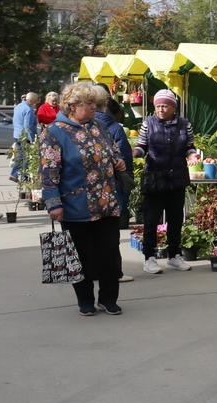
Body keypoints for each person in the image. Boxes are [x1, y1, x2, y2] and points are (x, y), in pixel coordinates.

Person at [40, 82, 127, 316]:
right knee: (82, 257)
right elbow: (49, 171)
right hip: (75, 206)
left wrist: (118, 161)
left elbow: (113, 151)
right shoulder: (55, 132)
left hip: (106, 203)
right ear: (72, 106)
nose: (93, 109)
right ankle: (85, 300)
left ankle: (108, 299)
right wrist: (53, 203)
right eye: (88, 104)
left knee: (109, 254)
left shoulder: (99, 126)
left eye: (94, 104)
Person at [132, 89, 193, 275]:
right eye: (158, 106)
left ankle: (174, 255)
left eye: (164, 105)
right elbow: (142, 145)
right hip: (155, 178)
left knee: (176, 218)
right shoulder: (147, 123)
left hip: (177, 177)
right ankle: (149, 257)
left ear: (173, 107)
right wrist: (135, 153)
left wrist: (192, 155)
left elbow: (190, 146)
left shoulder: (185, 124)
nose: (160, 109)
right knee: (152, 219)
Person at [95, 96, 136, 283]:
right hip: (112, 188)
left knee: (92, 234)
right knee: (111, 234)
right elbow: (124, 159)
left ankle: (93, 270)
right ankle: (114, 272)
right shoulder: (114, 128)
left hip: (88, 193)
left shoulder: (79, 128)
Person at [9, 92, 40, 183]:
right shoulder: (28, 110)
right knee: (26, 157)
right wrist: (32, 139)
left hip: (17, 134)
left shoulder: (18, 106)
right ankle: (23, 177)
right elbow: (27, 126)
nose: (35, 104)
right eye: (35, 102)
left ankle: (15, 175)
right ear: (32, 101)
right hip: (24, 136)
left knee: (20, 156)